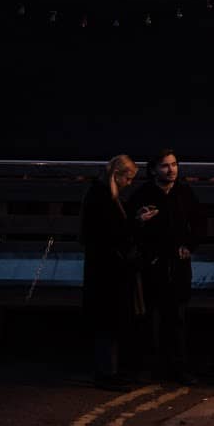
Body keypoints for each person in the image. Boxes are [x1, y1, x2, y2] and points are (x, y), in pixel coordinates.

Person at [130, 149, 208, 384]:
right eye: (165, 165)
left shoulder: (183, 192)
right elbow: (130, 228)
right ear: (154, 170)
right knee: (150, 318)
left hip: (177, 263)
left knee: (177, 317)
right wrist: (139, 222)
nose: (171, 169)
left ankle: (178, 367)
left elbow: (199, 222)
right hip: (153, 263)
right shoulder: (143, 194)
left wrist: (190, 245)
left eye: (174, 164)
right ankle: (150, 367)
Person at [81, 155, 148, 390]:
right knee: (108, 322)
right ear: (117, 175)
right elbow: (113, 234)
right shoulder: (103, 198)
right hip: (108, 271)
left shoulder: (101, 194)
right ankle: (107, 373)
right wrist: (137, 222)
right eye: (128, 178)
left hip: (105, 269)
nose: (130, 183)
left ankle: (110, 370)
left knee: (109, 322)